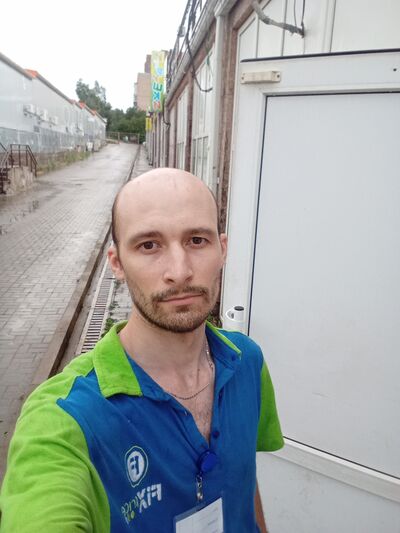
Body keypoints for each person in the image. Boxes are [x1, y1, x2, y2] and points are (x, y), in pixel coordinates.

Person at [0, 168, 283, 532]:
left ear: (222, 250)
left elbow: (243, 479)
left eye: (197, 240)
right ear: (117, 263)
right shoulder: (65, 419)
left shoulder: (247, 362)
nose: (179, 271)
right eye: (149, 245)